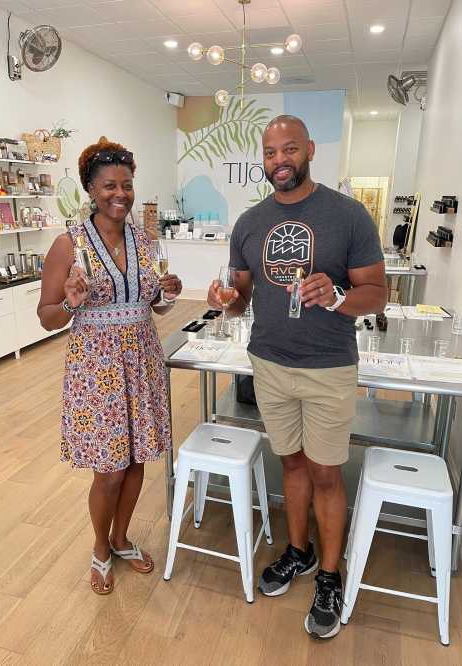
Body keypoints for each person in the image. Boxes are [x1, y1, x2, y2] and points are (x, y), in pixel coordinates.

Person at [208, 115, 387, 639]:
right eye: (269, 153)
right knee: (291, 463)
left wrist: (336, 298)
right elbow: (239, 295)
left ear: (309, 149)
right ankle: (299, 552)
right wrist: (226, 302)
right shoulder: (250, 223)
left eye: (289, 149)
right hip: (268, 362)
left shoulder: (347, 215)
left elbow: (377, 292)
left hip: (328, 366)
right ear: (261, 160)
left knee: (328, 472)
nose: (279, 161)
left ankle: (330, 575)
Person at [38, 137, 182, 595]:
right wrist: (70, 302)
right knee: (110, 469)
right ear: (90, 189)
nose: (120, 194)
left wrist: (167, 292)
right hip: (96, 369)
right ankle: (101, 546)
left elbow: (154, 305)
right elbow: (46, 317)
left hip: (141, 359)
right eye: (108, 186)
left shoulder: (145, 239)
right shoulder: (69, 244)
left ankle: (122, 538)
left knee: (138, 459)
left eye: (127, 184)